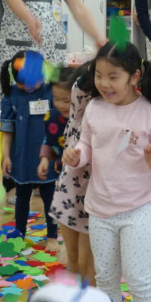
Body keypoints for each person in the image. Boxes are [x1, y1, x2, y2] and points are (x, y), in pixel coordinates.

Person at [62, 42, 151, 302]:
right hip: (100, 208)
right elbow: (87, 145)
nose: (104, 83)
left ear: (134, 76)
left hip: (138, 208)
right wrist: (77, 156)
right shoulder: (95, 108)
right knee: (106, 277)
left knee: (138, 277)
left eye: (113, 77)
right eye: (99, 75)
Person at [0, 51, 59, 252]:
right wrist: (6, 156)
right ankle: (20, 234)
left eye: (35, 81)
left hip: (46, 155)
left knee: (49, 196)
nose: (30, 87)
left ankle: (52, 236)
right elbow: (7, 130)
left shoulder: (50, 91)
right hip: (21, 156)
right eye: (24, 83)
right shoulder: (11, 95)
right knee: (22, 197)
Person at [41, 66, 95, 280]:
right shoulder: (72, 114)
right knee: (73, 258)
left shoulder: (94, 112)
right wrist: (45, 158)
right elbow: (49, 141)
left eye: (66, 99)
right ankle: (76, 294)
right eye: (57, 99)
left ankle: (89, 293)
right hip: (68, 192)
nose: (63, 104)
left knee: (87, 260)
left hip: (92, 195)